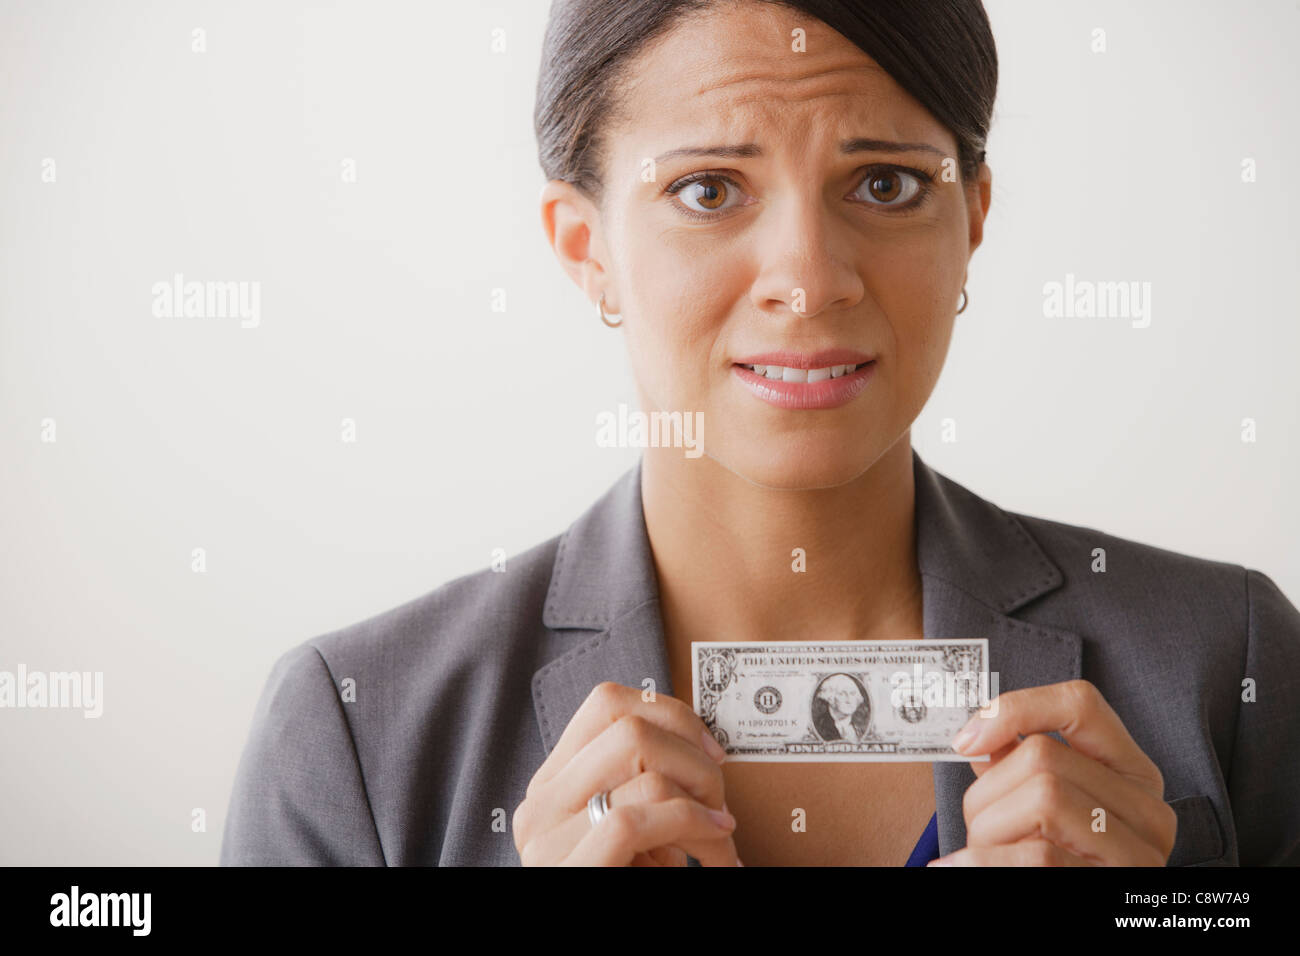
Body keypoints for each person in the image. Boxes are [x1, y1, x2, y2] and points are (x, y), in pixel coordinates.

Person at [220, 0, 1300, 867]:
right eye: (707, 189)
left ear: (971, 218)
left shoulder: (1227, 661)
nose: (808, 279)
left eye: (883, 184)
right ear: (584, 245)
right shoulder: (354, 730)